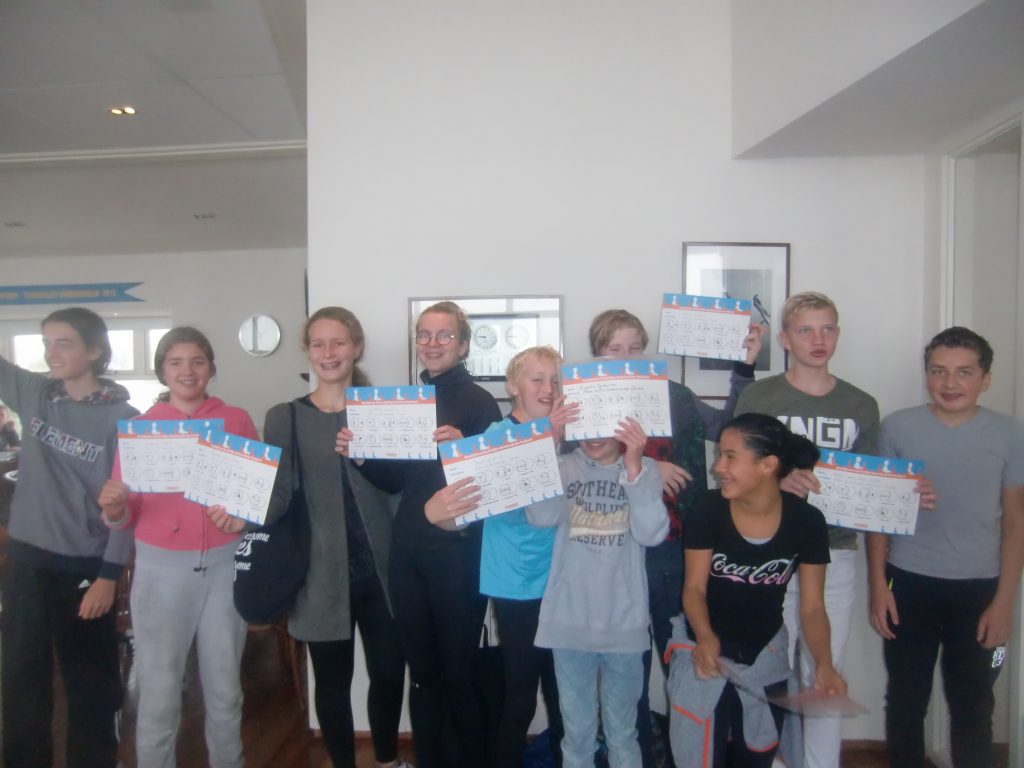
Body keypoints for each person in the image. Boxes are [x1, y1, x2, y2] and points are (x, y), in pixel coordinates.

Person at [213, 307, 409, 768]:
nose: (328, 352)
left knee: (388, 674)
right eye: (318, 344)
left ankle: (386, 761)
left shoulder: (384, 409)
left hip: (383, 573)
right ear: (307, 351)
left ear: (356, 347)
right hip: (319, 574)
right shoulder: (285, 416)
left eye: (338, 342)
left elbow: (399, 486)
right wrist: (243, 516)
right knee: (332, 683)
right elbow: (278, 492)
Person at [588, 308, 763, 767]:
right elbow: (577, 466)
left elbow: (726, 428)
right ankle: (638, 756)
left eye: (634, 347)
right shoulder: (588, 398)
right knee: (626, 667)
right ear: (598, 354)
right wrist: (649, 467)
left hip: (671, 546)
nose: (626, 356)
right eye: (614, 349)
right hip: (611, 547)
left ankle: (692, 754)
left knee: (681, 659)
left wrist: (744, 370)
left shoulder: (675, 396)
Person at [342, 300, 501, 768]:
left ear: (463, 345)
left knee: (459, 673)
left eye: (444, 335)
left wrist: (464, 450)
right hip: (407, 553)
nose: (432, 344)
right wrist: (361, 455)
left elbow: (492, 483)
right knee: (422, 674)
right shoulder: (409, 400)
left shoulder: (479, 402)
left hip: (457, 556)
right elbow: (397, 482)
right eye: (424, 335)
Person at [98, 327, 256, 768]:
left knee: (226, 691)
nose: (188, 371)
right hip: (160, 573)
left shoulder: (236, 420)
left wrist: (243, 515)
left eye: (197, 361)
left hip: (224, 570)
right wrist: (114, 509)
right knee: (159, 693)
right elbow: (124, 513)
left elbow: (254, 496)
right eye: (176, 362)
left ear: (211, 368)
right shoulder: (140, 429)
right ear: (162, 371)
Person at [867, 327, 1024, 768]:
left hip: (980, 589)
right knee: (905, 699)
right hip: (907, 583)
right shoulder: (897, 427)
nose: (950, 383)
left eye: (964, 372)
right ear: (927, 375)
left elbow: (1016, 522)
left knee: (974, 702)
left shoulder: (1010, 434)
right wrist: (878, 586)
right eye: (939, 371)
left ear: (985, 379)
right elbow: (878, 513)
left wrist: (1005, 602)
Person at [734, 291, 877, 768]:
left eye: (828, 328)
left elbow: (873, 486)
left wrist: (901, 496)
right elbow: (735, 474)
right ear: (785, 339)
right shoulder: (760, 398)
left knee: (823, 671)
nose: (819, 339)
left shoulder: (861, 404)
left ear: (838, 333)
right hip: (768, 551)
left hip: (835, 552)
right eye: (806, 330)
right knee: (770, 671)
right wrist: (776, 481)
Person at [0, 306, 138, 768]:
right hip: (26, 560)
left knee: (91, 683)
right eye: (47, 343)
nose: (51, 353)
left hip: (84, 565)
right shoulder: (37, 392)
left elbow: (128, 506)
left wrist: (108, 576)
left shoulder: (125, 419)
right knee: (21, 676)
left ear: (94, 350)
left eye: (64, 343)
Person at [425, 346, 576, 767]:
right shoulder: (495, 437)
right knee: (521, 694)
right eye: (537, 379)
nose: (548, 388)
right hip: (516, 584)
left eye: (555, 380)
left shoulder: (572, 434)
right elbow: (464, 509)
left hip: (564, 581)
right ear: (513, 386)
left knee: (565, 696)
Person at [676, 413, 844, 768]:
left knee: (757, 753)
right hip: (704, 651)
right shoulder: (708, 509)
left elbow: (813, 608)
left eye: (730, 457)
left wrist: (824, 663)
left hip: (764, 654)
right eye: (720, 456)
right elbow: (694, 588)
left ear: (768, 465)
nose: (718, 467)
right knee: (701, 754)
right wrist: (705, 636)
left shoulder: (807, 522)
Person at [526, 415, 669, 768]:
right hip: (568, 623)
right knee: (577, 738)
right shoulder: (563, 467)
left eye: (602, 424)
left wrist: (633, 467)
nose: (593, 435)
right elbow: (540, 516)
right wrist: (547, 447)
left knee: (623, 734)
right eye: (585, 425)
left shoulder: (646, 470)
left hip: (624, 626)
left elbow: (652, 533)